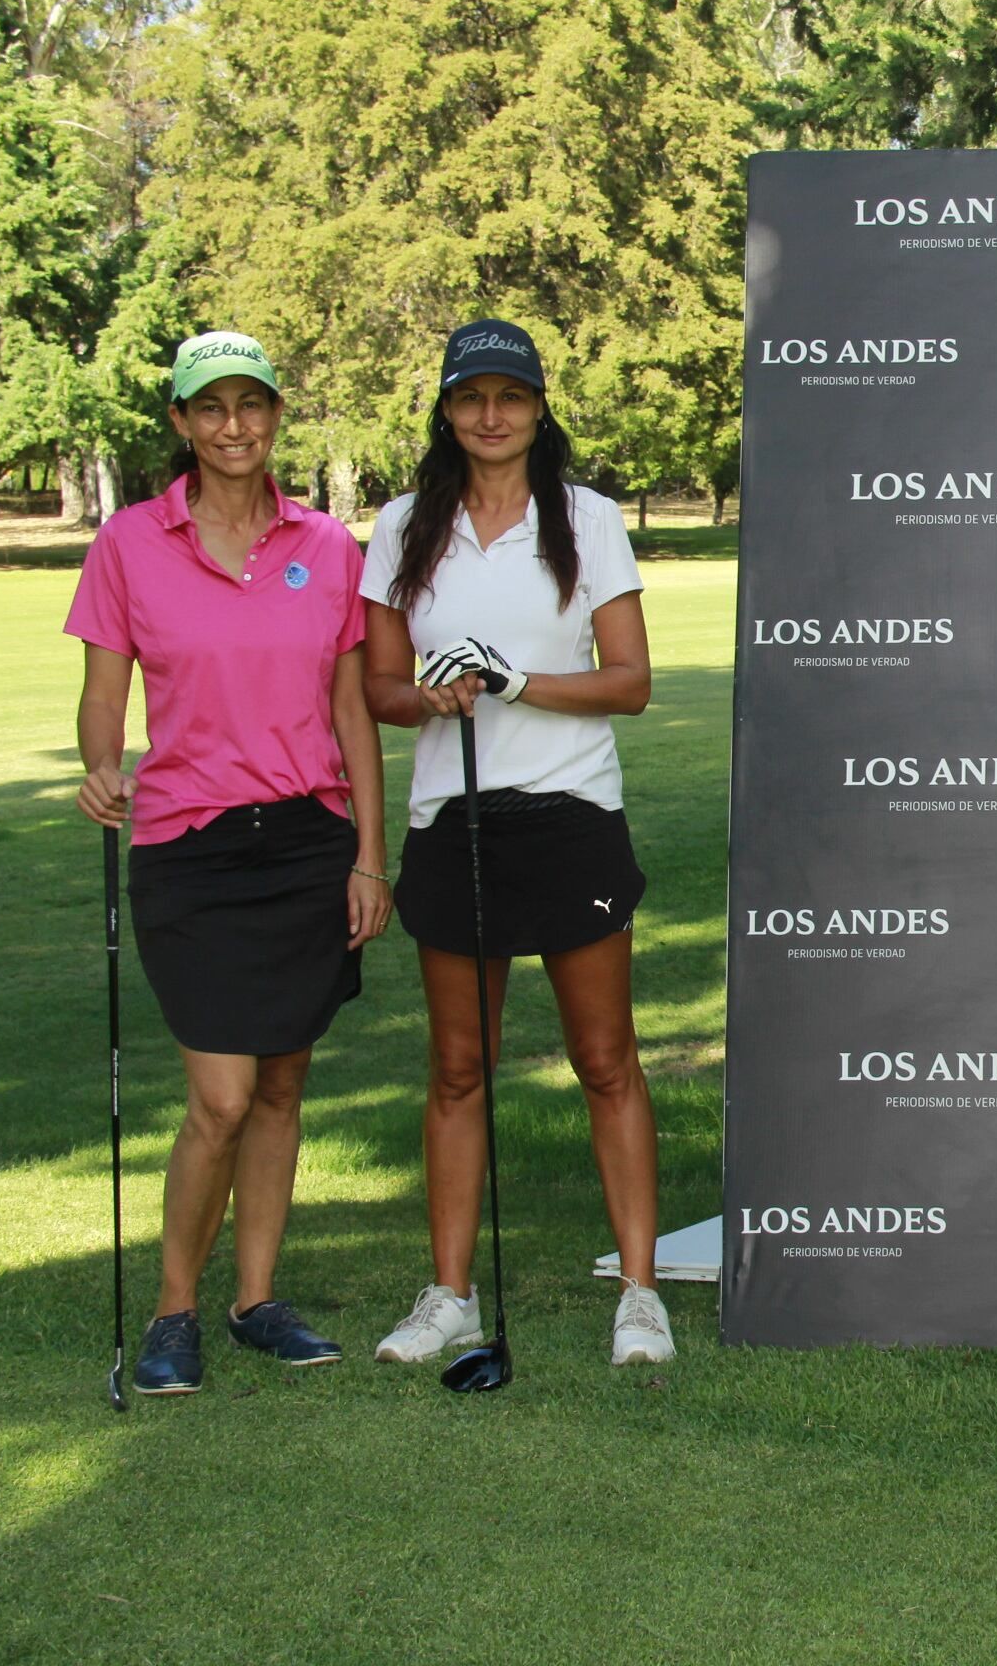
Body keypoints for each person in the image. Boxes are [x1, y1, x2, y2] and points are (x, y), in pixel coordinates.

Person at [67, 330, 393, 1396]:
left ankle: (256, 1301)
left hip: (306, 842)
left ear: (276, 415)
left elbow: (352, 712)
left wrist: (370, 856)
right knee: (221, 1097)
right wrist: (101, 765)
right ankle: (175, 1311)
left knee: (284, 1084)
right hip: (188, 849)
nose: (234, 426)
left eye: (252, 404)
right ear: (181, 421)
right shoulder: (129, 541)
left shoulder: (326, 546)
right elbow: (104, 695)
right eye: (210, 407)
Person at [360, 320, 667, 1368]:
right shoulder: (403, 525)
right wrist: (434, 697)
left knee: (605, 1060)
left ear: (539, 408)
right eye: (470, 397)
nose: (491, 415)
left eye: (511, 396)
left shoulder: (586, 519)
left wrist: (516, 681)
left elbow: (631, 681)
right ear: (446, 411)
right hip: (453, 823)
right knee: (457, 1068)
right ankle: (449, 1294)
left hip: (571, 814)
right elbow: (380, 689)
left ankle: (640, 1295)